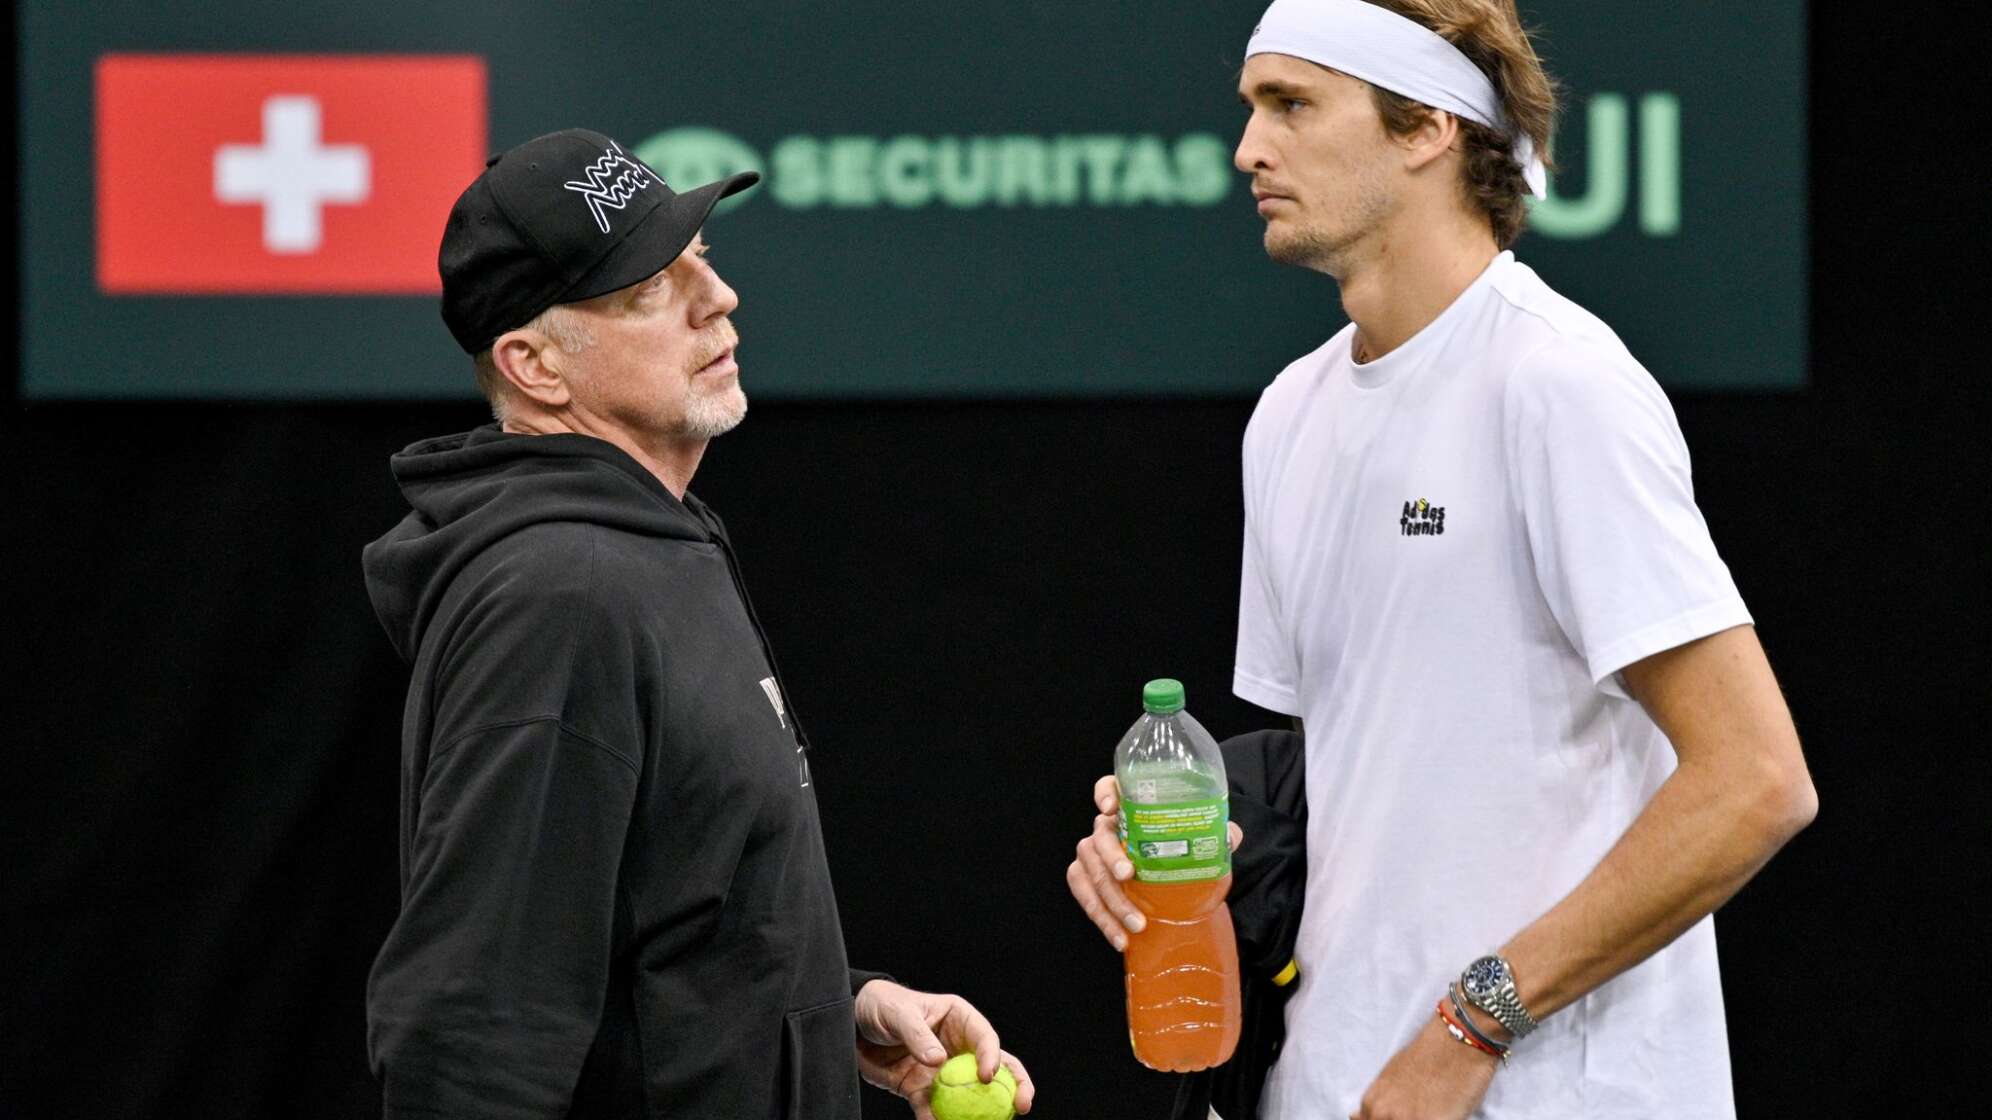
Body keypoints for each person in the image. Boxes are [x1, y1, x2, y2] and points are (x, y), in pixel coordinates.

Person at [1066, 2, 1817, 1117]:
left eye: (1291, 105)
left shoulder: (1558, 385)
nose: (1248, 148)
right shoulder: (1286, 417)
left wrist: (1475, 1021)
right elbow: (1351, 776)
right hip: (1331, 1089)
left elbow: (1755, 782)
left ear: (1426, 129)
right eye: (1250, 108)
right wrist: (1184, 842)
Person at [362, 128, 1034, 1120]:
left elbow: (668, 914)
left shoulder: (652, 541)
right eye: (647, 288)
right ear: (535, 365)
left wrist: (830, 1014)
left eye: (701, 262)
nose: (716, 299)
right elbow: (472, 1031)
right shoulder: (561, 593)